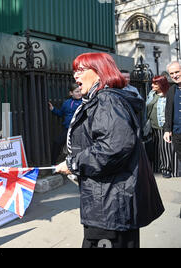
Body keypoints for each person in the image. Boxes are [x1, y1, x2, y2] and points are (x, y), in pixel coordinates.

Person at [55, 52, 164, 248]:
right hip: (108, 200)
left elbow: (114, 147)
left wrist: (73, 164)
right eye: (74, 71)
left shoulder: (106, 101)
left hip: (110, 204)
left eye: (81, 70)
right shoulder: (101, 99)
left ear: (99, 72)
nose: (75, 76)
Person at [146, 75, 178, 178]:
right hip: (154, 126)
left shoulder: (169, 94)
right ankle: (156, 168)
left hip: (165, 127)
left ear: (161, 84)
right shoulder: (152, 94)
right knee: (156, 148)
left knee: (166, 149)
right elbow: (147, 108)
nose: (152, 85)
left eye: (155, 83)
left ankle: (166, 169)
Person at [48, 83, 82, 165]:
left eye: (80, 91)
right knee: (57, 142)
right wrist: (53, 109)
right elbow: (61, 113)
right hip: (67, 129)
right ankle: (53, 165)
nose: (79, 93)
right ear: (71, 93)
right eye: (77, 91)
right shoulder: (66, 103)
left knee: (77, 148)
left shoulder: (84, 102)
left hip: (79, 129)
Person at [163, 61, 181, 161]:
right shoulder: (171, 90)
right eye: (171, 73)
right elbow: (168, 111)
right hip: (177, 133)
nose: (174, 75)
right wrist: (167, 130)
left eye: (177, 72)